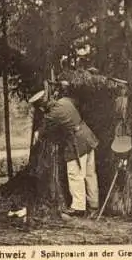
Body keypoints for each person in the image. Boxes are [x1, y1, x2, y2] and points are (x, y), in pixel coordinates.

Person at [29, 86, 100, 217]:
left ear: (41, 107)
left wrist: (37, 133)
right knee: (90, 174)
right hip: (88, 137)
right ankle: (94, 205)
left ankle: (78, 208)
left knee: (75, 174)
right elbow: (77, 104)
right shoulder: (65, 101)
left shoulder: (51, 115)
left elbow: (44, 131)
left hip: (77, 143)